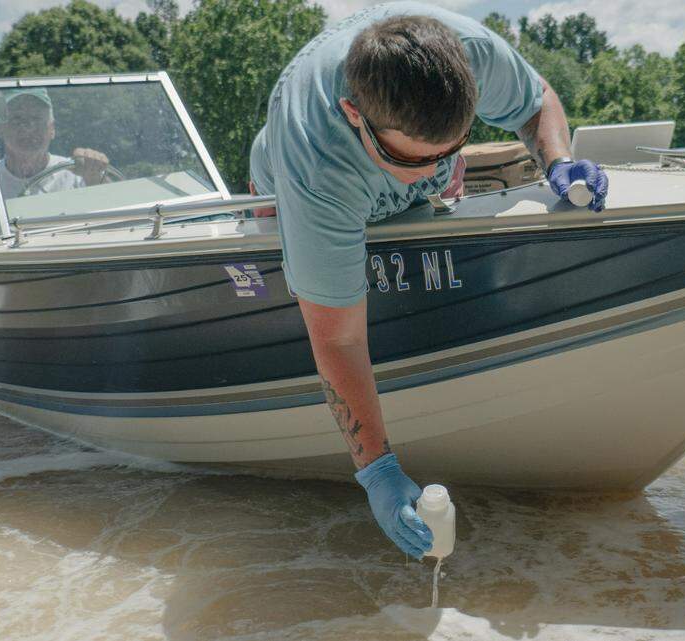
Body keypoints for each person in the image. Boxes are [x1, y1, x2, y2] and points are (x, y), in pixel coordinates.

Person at [249, 2, 609, 559]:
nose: (433, 171)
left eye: (452, 150)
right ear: (353, 112)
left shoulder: (473, 53)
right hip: (279, 178)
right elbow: (340, 337)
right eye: (411, 157)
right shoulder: (316, 167)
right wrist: (377, 470)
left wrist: (557, 159)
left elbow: (536, 100)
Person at [0, 88, 112, 229]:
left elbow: (112, 228)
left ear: (51, 129)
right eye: (18, 119)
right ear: (0, 129)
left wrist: (96, 178)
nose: (28, 128)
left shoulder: (80, 178)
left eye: (37, 119)